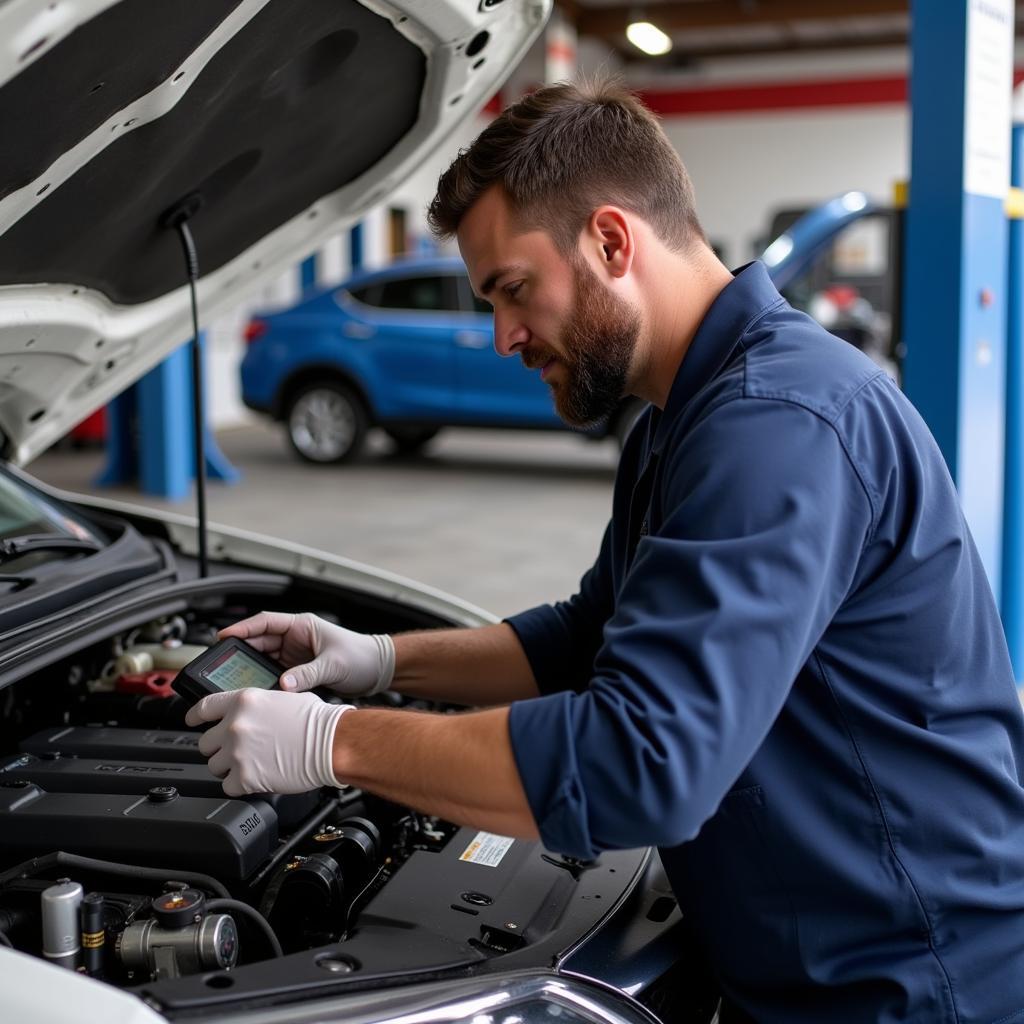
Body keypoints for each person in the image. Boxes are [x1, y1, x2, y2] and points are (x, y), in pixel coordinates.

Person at [186, 81, 1024, 1022]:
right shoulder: (683, 418)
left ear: (612, 242)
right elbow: (590, 636)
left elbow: (641, 763)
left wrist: (332, 743)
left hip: (907, 988)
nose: (502, 335)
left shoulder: (778, 426)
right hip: (805, 965)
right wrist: (378, 660)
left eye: (512, 290)